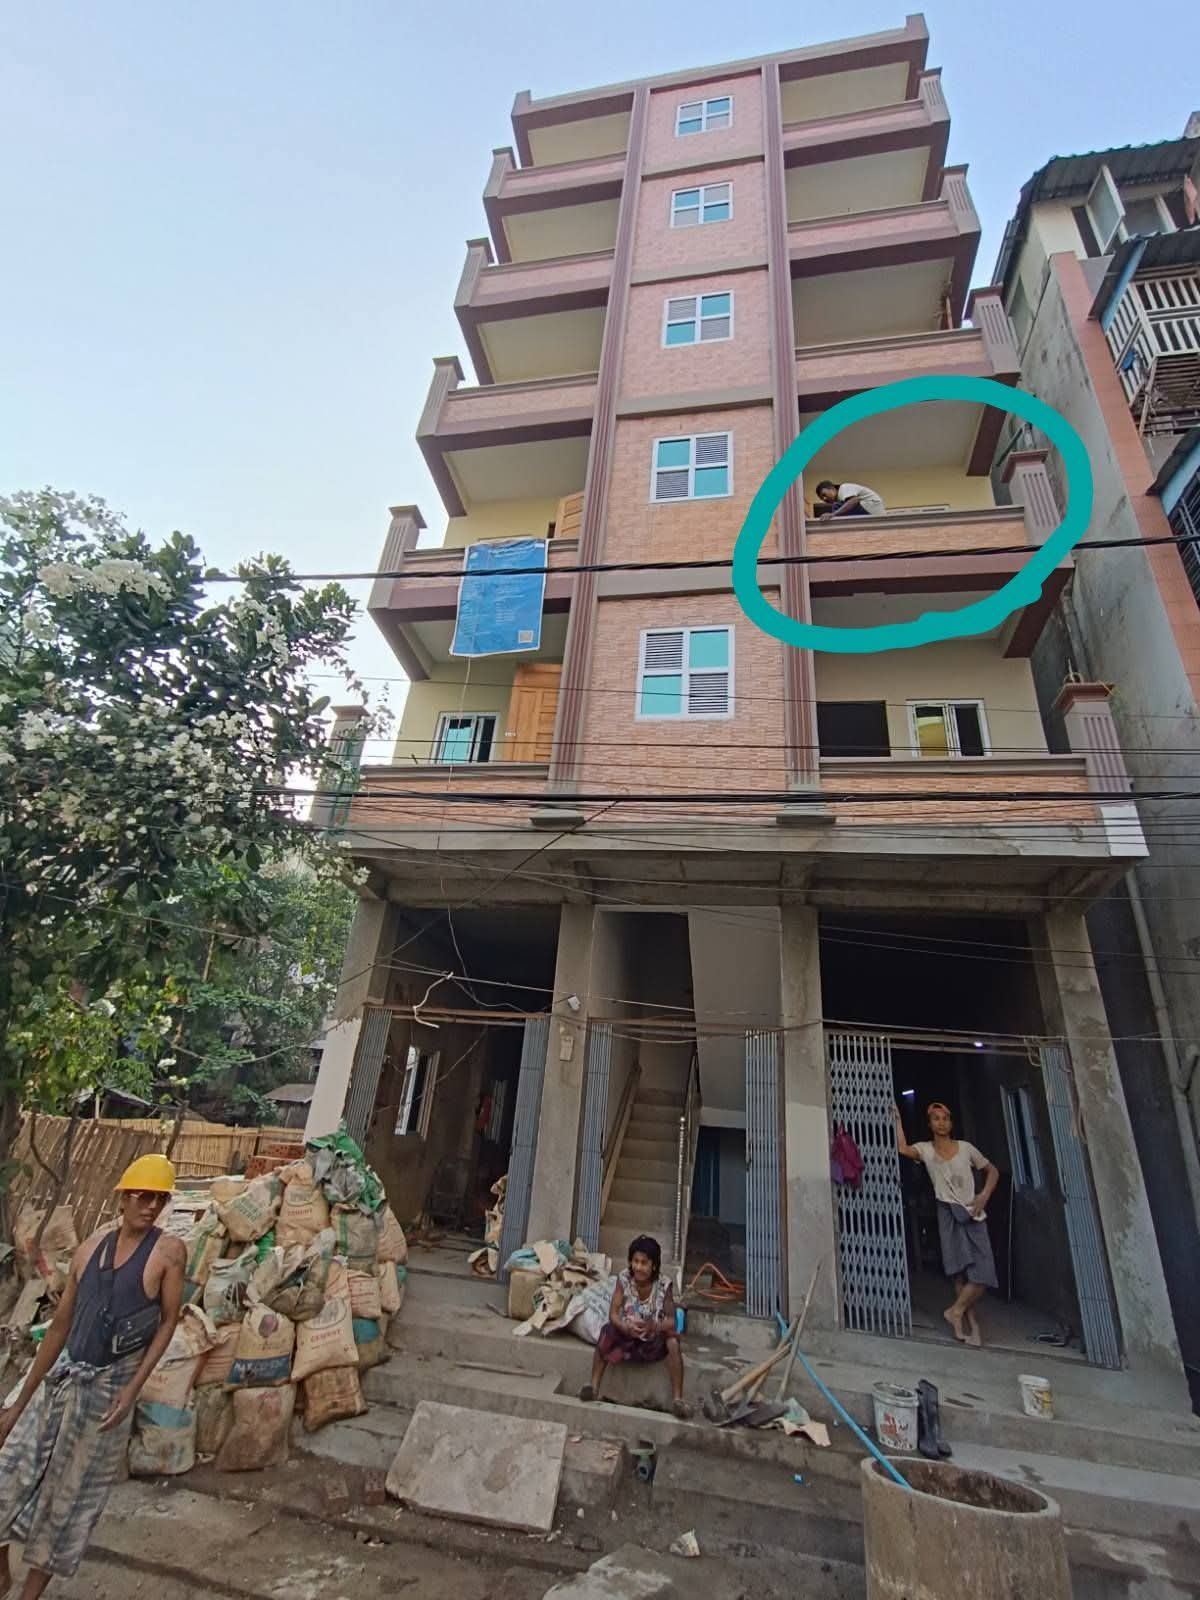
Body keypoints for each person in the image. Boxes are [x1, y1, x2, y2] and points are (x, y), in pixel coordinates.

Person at [0, 1155, 186, 1598]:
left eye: (159, 1199)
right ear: (123, 1198)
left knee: (68, 1502)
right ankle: (3, 1572)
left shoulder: (168, 1253)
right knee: (9, 1474)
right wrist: (18, 1403)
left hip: (107, 1390)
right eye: (143, 1196)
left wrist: (132, 1390)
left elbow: (168, 1321)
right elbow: (60, 1327)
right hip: (64, 1377)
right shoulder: (89, 1250)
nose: (151, 1206)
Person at [894, 1101, 999, 1347]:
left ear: (951, 1123)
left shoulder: (966, 1148)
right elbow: (903, 1148)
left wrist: (984, 1196)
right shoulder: (926, 1150)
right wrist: (897, 1120)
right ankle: (968, 1326)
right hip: (947, 1213)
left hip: (973, 1213)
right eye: (936, 1119)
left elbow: (992, 1171)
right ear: (930, 1124)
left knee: (984, 1272)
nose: (941, 1123)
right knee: (959, 1273)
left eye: (945, 1118)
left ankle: (955, 1310)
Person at [580, 1235, 689, 1418]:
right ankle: (593, 1387)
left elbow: (673, 1321)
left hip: (652, 1342)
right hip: (627, 1339)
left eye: (644, 1263)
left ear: (654, 1265)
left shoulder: (664, 1284)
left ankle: (678, 1400)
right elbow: (613, 1314)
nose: (638, 1267)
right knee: (607, 1331)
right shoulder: (624, 1279)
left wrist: (655, 1326)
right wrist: (625, 1327)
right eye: (635, 1261)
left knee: (672, 1341)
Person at [815, 479, 886, 517]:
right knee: (837, 508)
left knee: (836, 507)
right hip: (869, 511)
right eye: (822, 499)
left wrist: (833, 514)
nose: (824, 499)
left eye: (824, 495)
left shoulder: (844, 487)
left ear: (832, 488)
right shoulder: (840, 498)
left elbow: (854, 500)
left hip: (872, 507)